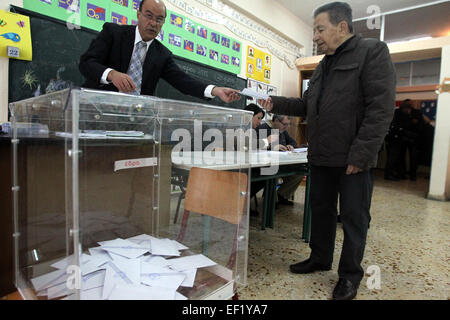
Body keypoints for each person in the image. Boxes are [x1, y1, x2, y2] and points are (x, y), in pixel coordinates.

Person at [258, 2, 396, 300]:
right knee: (320, 211)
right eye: (314, 30)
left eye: (320, 29)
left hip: (351, 159)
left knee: (353, 217)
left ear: (342, 27)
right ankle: (320, 257)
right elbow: (306, 105)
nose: (316, 36)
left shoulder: (372, 52)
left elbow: (380, 110)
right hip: (320, 156)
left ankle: (349, 276)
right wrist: (274, 103)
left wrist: (361, 155)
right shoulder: (323, 65)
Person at [79, 0, 240, 103]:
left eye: (159, 19)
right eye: (148, 16)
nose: (153, 23)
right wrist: (112, 74)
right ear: (138, 14)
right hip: (97, 108)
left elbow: (184, 81)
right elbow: (86, 63)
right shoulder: (113, 33)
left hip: (136, 119)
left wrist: (215, 90)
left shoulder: (162, 54)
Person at [257, 115, 303, 206]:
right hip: (267, 164)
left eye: (288, 125)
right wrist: (272, 147)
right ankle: (271, 199)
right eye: (285, 124)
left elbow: (293, 142)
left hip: (282, 162)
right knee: (274, 172)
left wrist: (291, 146)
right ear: (276, 121)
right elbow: (256, 147)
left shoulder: (282, 131)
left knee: (300, 172)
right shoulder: (264, 128)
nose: (287, 127)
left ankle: (281, 195)